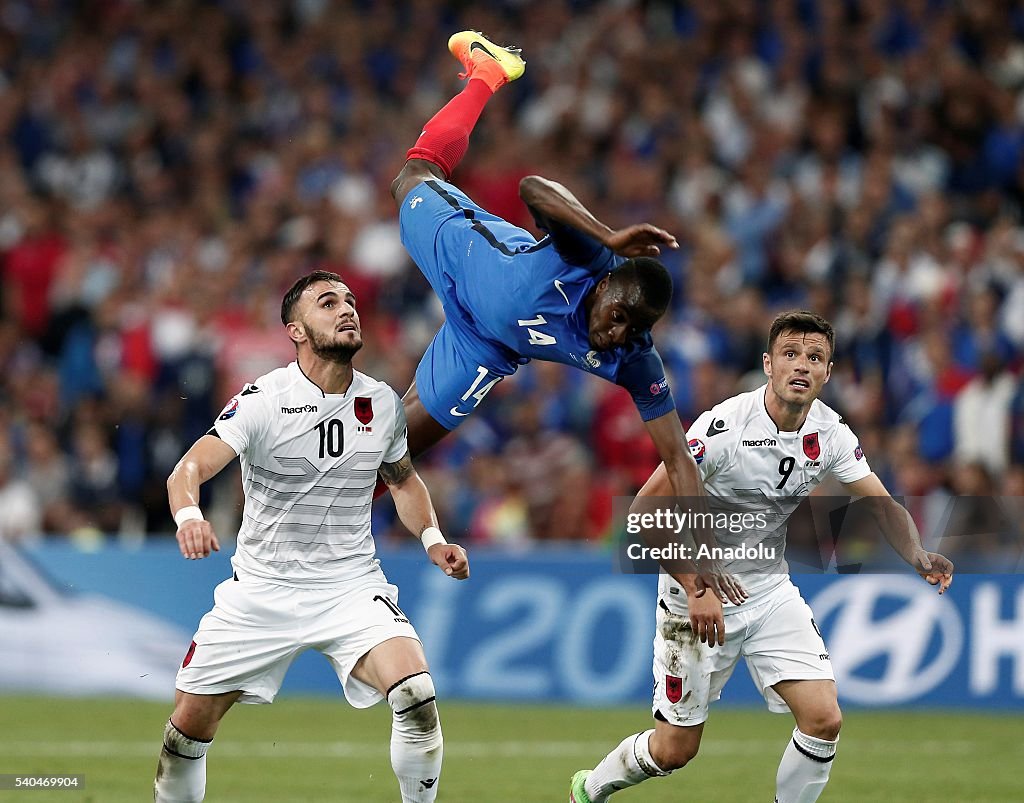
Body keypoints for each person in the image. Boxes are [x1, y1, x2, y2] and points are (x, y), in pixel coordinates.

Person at [390, 31, 743, 603]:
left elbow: (678, 458)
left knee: (395, 449)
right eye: (620, 315)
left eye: (637, 329)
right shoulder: (590, 256)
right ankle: (489, 73)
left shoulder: (632, 358)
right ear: (607, 284)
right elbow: (534, 187)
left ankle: (327, 531)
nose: (619, 332)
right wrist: (605, 232)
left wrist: (700, 552)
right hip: (472, 257)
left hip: (483, 347)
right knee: (413, 174)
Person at [569, 311, 955, 803]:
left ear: (827, 372)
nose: (802, 366)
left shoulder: (831, 434)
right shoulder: (723, 428)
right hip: (694, 597)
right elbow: (643, 516)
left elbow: (879, 502)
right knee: (674, 750)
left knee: (824, 718)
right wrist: (696, 587)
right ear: (769, 364)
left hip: (769, 591)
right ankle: (590, 789)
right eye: (791, 354)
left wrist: (918, 553)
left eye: (815, 357)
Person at [153, 270, 469, 803]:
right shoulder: (262, 400)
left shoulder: (384, 403)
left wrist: (432, 537)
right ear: (296, 330)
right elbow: (186, 470)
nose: (347, 309)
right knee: (185, 735)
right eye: (328, 303)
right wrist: (189, 518)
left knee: (416, 696)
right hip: (259, 592)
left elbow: (402, 479)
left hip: (350, 587)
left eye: (349, 301)